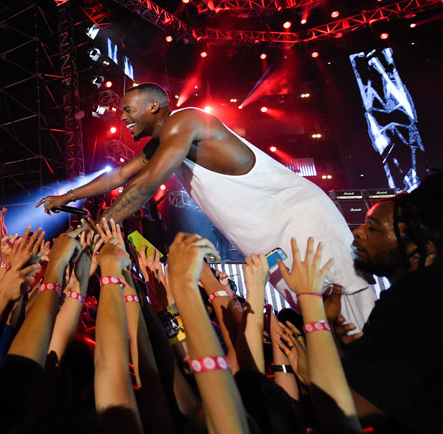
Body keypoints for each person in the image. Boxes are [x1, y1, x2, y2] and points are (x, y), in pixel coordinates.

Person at [36, 82, 376, 331]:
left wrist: (98, 227)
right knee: (322, 325)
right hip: (274, 241)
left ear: (154, 107)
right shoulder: (163, 142)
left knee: (352, 322)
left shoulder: (186, 121)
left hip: (302, 223)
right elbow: (120, 175)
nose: (122, 117)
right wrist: (66, 198)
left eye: (128, 109)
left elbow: (146, 184)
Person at [341, 170, 442, 433]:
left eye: (373, 227)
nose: (359, 233)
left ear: (422, 248)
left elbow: (353, 407)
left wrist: (312, 315)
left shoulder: (415, 299)